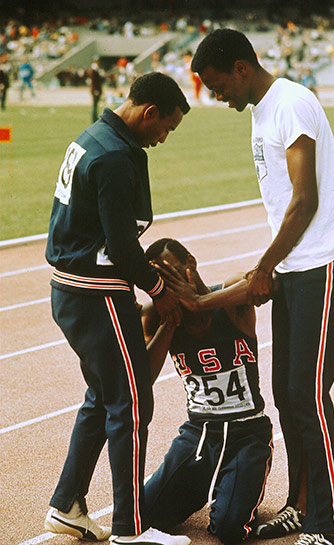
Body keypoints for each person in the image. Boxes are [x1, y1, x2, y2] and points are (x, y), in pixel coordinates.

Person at [191, 29, 334, 545]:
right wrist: (273, 266)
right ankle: (302, 504)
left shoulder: (291, 103)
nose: (220, 99)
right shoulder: (262, 111)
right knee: (289, 397)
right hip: (294, 266)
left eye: (219, 87)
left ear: (241, 68)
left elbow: (304, 200)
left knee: (308, 395)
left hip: (324, 261)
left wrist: (263, 266)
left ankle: (329, 526)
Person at [44, 72, 191, 545]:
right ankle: (132, 531)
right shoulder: (112, 157)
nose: (164, 139)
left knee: (102, 397)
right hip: (96, 292)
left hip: (73, 289)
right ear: (149, 113)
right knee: (131, 403)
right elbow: (122, 245)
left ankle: (67, 504)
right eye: (166, 128)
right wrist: (159, 290)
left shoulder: (96, 136)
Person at [141, 238, 274, 545]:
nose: (171, 284)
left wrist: (199, 302)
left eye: (175, 271)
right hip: (198, 433)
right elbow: (143, 377)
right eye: (161, 281)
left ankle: (237, 485)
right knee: (142, 513)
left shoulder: (228, 298)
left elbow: (261, 284)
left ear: (191, 261)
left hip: (247, 432)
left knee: (229, 530)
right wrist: (171, 320)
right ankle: (197, 485)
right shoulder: (154, 316)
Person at [88, 59, 105, 123]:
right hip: (96, 90)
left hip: (96, 89)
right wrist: (96, 90)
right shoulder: (94, 71)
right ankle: (94, 118)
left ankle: (94, 118)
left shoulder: (95, 70)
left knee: (95, 105)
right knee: (95, 105)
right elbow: (94, 82)